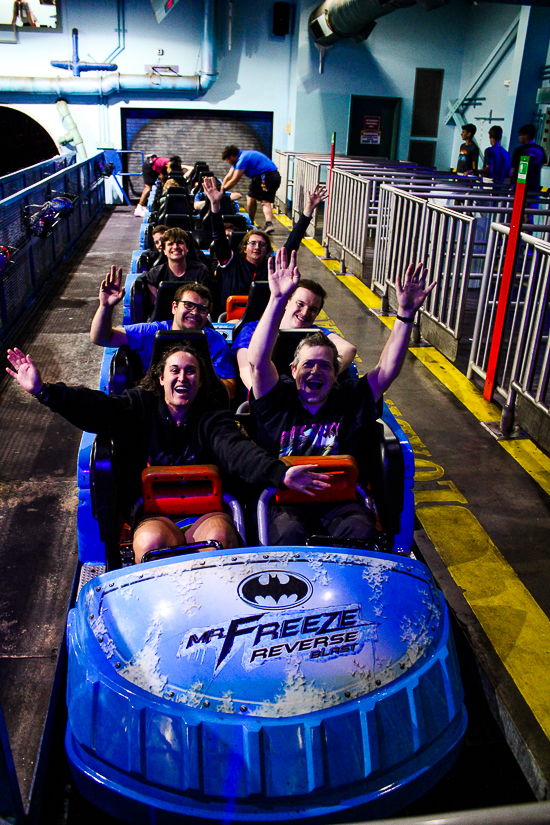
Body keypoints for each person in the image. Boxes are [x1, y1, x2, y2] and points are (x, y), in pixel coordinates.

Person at [6, 344, 328, 562]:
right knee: (151, 544)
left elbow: (237, 450)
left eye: (191, 372)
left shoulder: (212, 417)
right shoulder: (139, 407)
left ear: (201, 383)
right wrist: (45, 392)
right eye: (174, 371)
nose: (182, 378)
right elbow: (97, 408)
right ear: (161, 379)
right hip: (155, 516)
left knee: (218, 535)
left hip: (206, 516)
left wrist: (279, 473)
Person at [247, 248, 435, 546]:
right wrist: (278, 299)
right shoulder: (278, 399)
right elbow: (257, 363)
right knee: (289, 535)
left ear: (336, 374)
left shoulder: (348, 399)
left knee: (361, 532)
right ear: (293, 370)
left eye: (325, 366)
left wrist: (405, 316)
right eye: (308, 365)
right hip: (286, 503)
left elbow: (386, 370)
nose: (315, 372)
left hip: (341, 504)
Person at [90, 271, 237, 399]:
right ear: (174, 307)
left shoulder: (216, 341)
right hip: (155, 402)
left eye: (201, 309)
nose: (194, 313)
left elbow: (228, 391)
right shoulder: (151, 332)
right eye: (188, 305)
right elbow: (101, 337)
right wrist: (106, 306)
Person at [204, 177, 327, 312]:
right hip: (231, 319)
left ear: (267, 250)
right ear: (244, 248)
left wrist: (308, 211)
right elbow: (219, 236)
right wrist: (215, 205)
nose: (257, 247)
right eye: (253, 243)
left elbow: (293, 241)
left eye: (262, 245)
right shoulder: (231, 262)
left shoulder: (272, 267)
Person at [232, 278, 357, 390]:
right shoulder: (252, 330)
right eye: (300, 304)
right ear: (287, 302)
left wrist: (325, 375)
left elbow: (348, 349)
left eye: (313, 309)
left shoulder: (317, 334)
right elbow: (245, 370)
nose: (305, 312)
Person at [221, 145, 281, 232]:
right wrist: (222, 186)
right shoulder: (241, 156)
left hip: (265, 176)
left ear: (232, 157)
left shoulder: (242, 159)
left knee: (253, 198)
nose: (228, 162)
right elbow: (229, 176)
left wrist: (222, 191)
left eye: (227, 160)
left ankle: (250, 224)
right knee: (263, 200)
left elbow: (234, 180)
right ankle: (266, 224)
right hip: (273, 176)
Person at [145, 227, 211, 304]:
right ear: (164, 250)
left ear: (187, 248)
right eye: (170, 244)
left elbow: (207, 306)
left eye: (180, 242)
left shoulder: (202, 272)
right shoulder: (154, 275)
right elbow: (154, 308)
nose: (176, 247)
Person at [510, 124, 548, 194]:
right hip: (535, 188)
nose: (519, 137)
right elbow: (542, 163)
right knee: (532, 204)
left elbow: (513, 171)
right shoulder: (541, 150)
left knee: (518, 205)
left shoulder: (519, 150)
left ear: (526, 135)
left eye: (521, 135)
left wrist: (510, 184)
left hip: (520, 188)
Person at [478, 125, 511, 190]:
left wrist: (474, 171)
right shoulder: (506, 153)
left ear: (490, 136)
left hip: (488, 183)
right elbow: (508, 173)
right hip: (499, 185)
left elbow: (489, 169)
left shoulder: (489, 151)